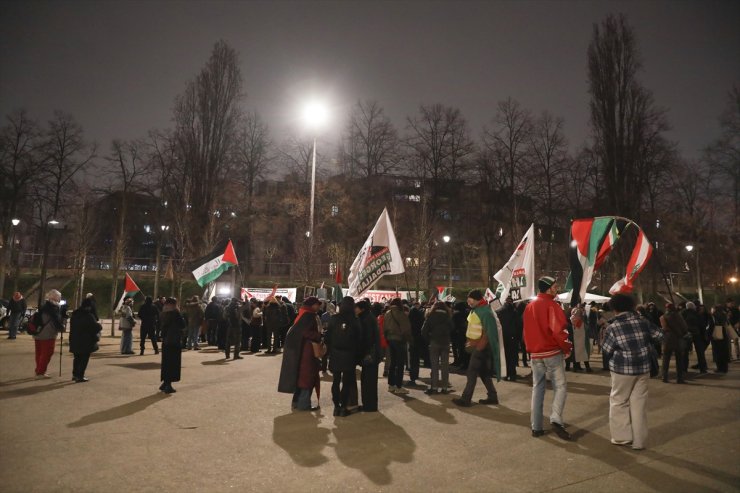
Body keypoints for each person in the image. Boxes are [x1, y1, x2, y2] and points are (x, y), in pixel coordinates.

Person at [602, 294, 664, 451]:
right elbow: (659, 335)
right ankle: (639, 441)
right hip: (643, 368)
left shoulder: (613, 327)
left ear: (614, 308)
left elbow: (606, 349)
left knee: (618, 401)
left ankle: (622, 438)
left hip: (622, 369)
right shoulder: (643, 322)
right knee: (639, 404)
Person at [523, 276, 572, 440]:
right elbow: (559, 331)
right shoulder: (552, 305)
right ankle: (556, 418)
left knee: (538, 388)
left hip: (535, 354)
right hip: (552, 352)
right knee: (560, 386)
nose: (557, 288)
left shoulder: (529, 306)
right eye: (554, 286)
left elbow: (526, 332)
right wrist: (567, 348)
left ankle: (536, 426)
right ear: (548, 288)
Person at [452, 289, 501, 407]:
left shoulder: (485, 312)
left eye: (470, 300)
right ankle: (492, 396)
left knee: (471, 373)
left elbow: (488, 332)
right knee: (483, 373)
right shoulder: (478, 310)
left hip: (481, 348)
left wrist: (479, 346)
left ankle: (466, 399)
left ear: (477, 299)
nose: (468, 302)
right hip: (478, 346)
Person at [278, 297, 322, 411]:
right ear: (312, 305)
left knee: (300, 377)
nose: (319, 306)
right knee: (307, 377)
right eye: (317, 304)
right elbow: (306, 332)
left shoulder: (303, 314)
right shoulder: (309, 316)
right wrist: (318, 336)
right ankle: (303, 404)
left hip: (300, 350)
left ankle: (296, 402)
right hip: (307, 350)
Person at [325, 296, 361, 417]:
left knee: (335, 381)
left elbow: (327, 337)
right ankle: (343, 406)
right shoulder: (355, 320)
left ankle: (336, 406)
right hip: (349, 355)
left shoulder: (334, 319)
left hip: (335, 353)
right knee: (346, 382)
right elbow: (359, 339)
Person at [422, 301, 453, 394]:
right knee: (445, 366)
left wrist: (429, 338)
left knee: (434, 366)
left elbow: (423, 331)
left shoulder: (430, 316)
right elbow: (453, 328)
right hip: (445, 343)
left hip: (434, 342)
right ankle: (444, 388)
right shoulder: (448, 317)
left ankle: (434, 387)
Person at [357, 300, 382, 412]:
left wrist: (360, 353)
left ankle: (369, 405)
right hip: (373, 354)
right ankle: (370, 404)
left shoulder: (366, 319)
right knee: (369, 381)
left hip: (370, 354)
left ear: (362, 309)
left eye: (356, 307)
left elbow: (366, 339)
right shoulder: (369, 317)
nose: (354, 309)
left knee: (368, 381)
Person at [68, 298, 102, 382]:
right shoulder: (88, 316)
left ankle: (75, 374)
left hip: (75, 339)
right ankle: (80, 376)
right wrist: (99, 326)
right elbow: (95, 327)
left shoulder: (75, 315)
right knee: (84, 359)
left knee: (77, 358)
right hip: (86, 341)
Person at [383, 298, 412, 394]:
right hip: (399, 340)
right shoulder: (401, 314)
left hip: (390, 340)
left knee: (392, 363)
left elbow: (385, 328)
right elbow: (406, 328)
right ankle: (399, 386)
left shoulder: (387, 313)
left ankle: (391, 385)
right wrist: (409, 339)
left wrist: (387, 338)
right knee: (400, 364)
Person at [33, 289, 64, 378]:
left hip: (38, 332)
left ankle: (38, 370)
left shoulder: (44, 306)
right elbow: (57, 322)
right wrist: (61, 327)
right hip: (48, 334)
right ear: (55, 297)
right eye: (59, 297)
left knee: (39, 353)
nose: (60, 299)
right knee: (47, 353)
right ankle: (40, 372)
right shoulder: (53, 308)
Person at [159, 298, 185, 394]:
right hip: (174, 341)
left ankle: (165, 382)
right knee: (173, 363)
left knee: (166, 363)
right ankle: (168, 385)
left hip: (166, 341)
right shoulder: (175, 313)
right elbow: (183, 325)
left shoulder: (163, 314)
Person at [659, 303, 688, 383]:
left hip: (667, 339)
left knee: (665, 359)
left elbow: (663, 328)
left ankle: (664, 377)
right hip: (677, 339)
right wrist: (683, 333)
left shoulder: (662, 317)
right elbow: (684, 327)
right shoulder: (678, 316)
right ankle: (680, 378)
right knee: (679, 360)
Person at [497, 296, 523, 381]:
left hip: (502, 337)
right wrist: (519, 338)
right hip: (513, 337)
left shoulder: (499, 312)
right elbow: (519, 326)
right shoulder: (515, 312)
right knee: (512, 356)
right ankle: (512, 375)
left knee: (504, 356)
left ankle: (505, 374)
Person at [681, 301, 707, 373]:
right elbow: (702, 325)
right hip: (696, 334)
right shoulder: (697, 314)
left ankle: (684, 368)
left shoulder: (682, 313)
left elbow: (680, 324)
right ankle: (703, 368)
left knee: (685, 352)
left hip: (686, 334)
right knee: (700, 352)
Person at [570, 303, 592, 372]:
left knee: (576, 353)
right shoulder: (580, 322)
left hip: (576, 340)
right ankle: (587, 368)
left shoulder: (572, 321)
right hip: (582, 340)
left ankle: (576, 367)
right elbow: (586, 329)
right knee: (584, 352)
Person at [710, 306, 730, 373]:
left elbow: (714, 324)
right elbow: (727, 324)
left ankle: (719, 368)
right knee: (724, 351)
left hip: (717, 331)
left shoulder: (714, 315)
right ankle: (725, 368)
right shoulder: (724, 315)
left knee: (717, 351)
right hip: (724, 333)